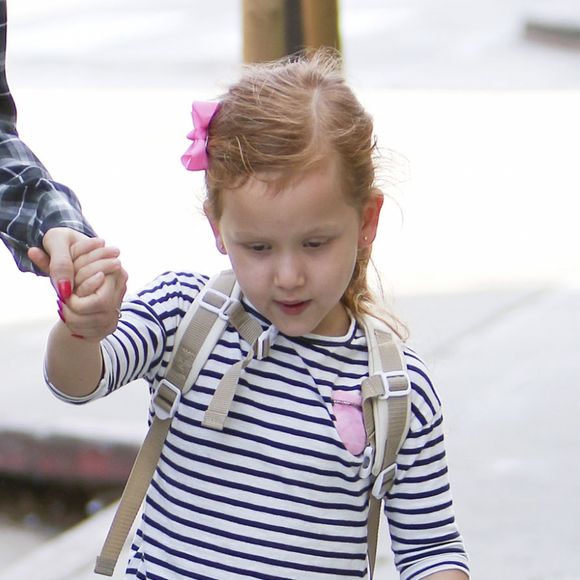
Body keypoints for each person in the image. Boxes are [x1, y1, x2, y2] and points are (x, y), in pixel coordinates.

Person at [45, 52, 469, 579]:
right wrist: (82, 329)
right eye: (259, 248)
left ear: (367, 220)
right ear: (218, 227)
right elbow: (77, 381)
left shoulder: (395, 391)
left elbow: (433, 552)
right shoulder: (185, 317)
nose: (288, 275)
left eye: (315, 243)